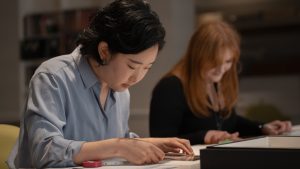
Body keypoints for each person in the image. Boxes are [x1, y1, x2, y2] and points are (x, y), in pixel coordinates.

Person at [9, 0, 194, 168]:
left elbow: (107, 142)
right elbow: (44, 151)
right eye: (132, 66)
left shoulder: (120, 90)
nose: (137, 77)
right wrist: (120, 146)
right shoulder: (53, 77)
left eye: (147, 68)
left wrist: (147, 143)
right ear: (104, 51)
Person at [149, 20, 292, 145]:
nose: (222, 70)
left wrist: (261, 127)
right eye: (214, 62)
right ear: (197, 56)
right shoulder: (170, 87)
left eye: (228, 61)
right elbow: (160, 141)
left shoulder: (215, 81)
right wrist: (203, 136)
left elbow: (230, 121)